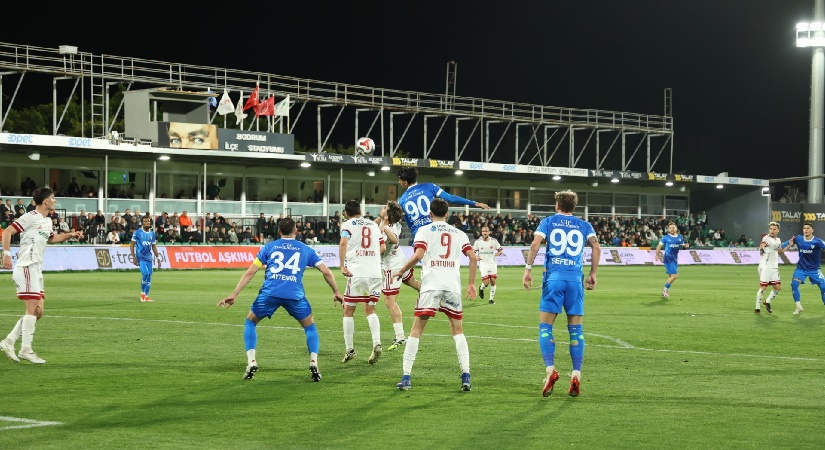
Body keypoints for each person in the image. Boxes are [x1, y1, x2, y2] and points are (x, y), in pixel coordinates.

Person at [217, 217, 344, 381]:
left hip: (270, 294)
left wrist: (234, 294)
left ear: (279, 232)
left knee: (251, 322)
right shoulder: (306, 249)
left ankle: (252, 361)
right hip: (294, 296)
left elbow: (250, 272)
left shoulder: (268, 247)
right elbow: (326, 272)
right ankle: (314, 362)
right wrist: (336, 291)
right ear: (296, 231)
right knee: (310, 327)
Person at [392, 198, 478, 391]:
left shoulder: (424, 230)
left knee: (416, 330)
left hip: (431, 284)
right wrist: (471, 284)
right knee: (458, 330)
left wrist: (402, 270)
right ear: (447, 214)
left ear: (430, 214)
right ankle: (466, 376)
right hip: (452, 285)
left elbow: (418, 255)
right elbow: (473, 257)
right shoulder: (459, 233)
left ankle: (406, 377)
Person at [522, 189, 600, 398]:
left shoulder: (548, 222)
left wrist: (528, 269)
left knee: (545, 327)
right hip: (575, 280)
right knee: (576, 330)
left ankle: (550, 370)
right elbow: (596, 248)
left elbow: (535, 244)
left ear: (557, 205)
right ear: (574, 207)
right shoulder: (584, 225)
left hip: (554, 280)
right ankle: (576, 374)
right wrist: (592, 274)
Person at [0, 187, 84, 364]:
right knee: (32, 309)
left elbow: (52, 238)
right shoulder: (30, 216)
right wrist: (6, 255)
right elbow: (7, 232)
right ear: (45, 201)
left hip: (37, 269)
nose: (55, 201)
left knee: (38, 312)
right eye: (53, 198)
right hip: (27, 265)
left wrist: (70, 234)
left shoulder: (47, 221)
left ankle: (8, 341)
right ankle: (26, 350)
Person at [338, 199, 386, 364]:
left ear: (346, 213)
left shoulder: (347, 225)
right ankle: (377, 343)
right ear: (360, 211)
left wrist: (342, 265)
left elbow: (343, 242)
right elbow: (382, 248)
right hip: (375, 272)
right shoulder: (373, 225)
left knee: (348, 310)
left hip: (358, 272)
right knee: (370, 309)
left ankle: (349, 349)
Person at [376, 200, 422, 351]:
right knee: (414, 283)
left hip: (392, 268)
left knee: (389, 302)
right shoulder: (390, 223)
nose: (382, 208)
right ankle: (433, 294)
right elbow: (374, 223)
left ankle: (400, 336)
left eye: (384, 208)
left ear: (387, 216)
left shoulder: (388, 229)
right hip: (401, 261)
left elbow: (393, 240)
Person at [396, 166, 490, 238]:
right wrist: (475, 203)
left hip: (419, 235)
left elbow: (409, 224)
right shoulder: (429, 186)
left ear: (405, 182)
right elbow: (451, 198)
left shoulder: (402, 200)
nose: (399, 182)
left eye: (400, 180)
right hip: (434, 230)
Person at [781, 222, 825, 315]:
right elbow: (782, 249)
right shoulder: (798, 239)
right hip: (801, 269)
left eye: (808, 228)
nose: (806, 230)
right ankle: (798, 307)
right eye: (804, 228)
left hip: (814, 270)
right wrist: (788, 245)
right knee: (794, 284)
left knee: (823, 287)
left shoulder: (818, 242)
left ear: (812, 230)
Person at [130, 216, 160, 303]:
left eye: (148, 221)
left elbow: (153, 246)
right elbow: (132, 244)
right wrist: (133, 257)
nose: (147, 223)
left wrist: (158, 257)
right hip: (141, 257)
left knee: (149, 276)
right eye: (145, 221)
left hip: (149, 258)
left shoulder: (152, 233)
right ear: (142, 223)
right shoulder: (137, 233)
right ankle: (142, 293)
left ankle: (146, 296)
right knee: (145, 273)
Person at [755, 221, 783, 314]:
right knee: (763, 287)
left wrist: (789, 245)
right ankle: (757, 308)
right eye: (770, 229)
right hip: (765, 266)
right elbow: (762, 245)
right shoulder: (766, 238)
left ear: (778, 230)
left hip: (774, 267)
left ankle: (767, 302)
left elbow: (779, 251)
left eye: (774, 229)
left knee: (777, 287)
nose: (772, 231)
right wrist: (761, 250)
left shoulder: (778, 240)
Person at [655, 221, 689, 298]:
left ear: (676, 228)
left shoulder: (680, 237)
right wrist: (657, 255)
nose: (672, 229)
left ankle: (666, 290)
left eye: (673, 227)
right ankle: (665, 290)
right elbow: (659, 246)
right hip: (668, 258)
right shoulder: (666, 237)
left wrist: (686, 246)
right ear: (668, 229)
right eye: (670, 228)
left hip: (675, 259)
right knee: (675, 275)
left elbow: (683, 247)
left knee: (671, 276)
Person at [474, 225, 503, 304]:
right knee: (486, 283)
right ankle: (481, 288)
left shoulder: (494, 241)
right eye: (483, 231)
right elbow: (473, 252)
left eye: (486, 231)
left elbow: (500, 250)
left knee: (493, 281)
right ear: (481, 232)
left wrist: (498, 253)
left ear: (489, 232)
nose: (484, 233)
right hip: (483, 264)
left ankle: (491, 299)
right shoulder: (478, 242)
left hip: (492, 264)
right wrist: (476, 257)